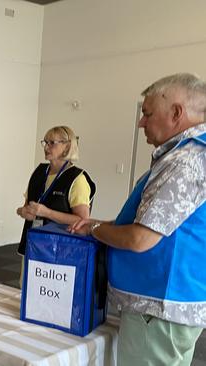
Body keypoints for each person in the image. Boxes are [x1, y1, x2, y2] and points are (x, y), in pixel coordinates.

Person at [70, 73, 206, 366]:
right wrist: (102, 225)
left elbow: (139, 238)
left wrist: (94, 228)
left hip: (158, 307)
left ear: (176, 113)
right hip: (163, 304)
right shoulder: (186, 156)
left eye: (147, 113)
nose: (140, 122)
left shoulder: (185, 162)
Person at [15, 125, 96, 285]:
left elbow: (82, 220)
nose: (46, 147)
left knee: (49, 293)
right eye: (45, 142)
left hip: (59, 248)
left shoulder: (77, 179)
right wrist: (24, 212)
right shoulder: (39, 172)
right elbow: (24, 207)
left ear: (67, 145)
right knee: (27, 288)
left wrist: (47, 213)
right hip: (33, 242)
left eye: (52, 143)